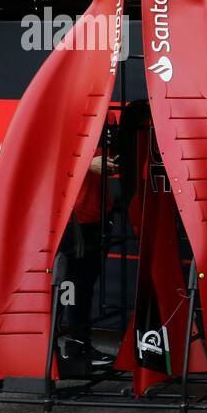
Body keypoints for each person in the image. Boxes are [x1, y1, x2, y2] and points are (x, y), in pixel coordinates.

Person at [59, 120, 117, 367]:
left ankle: (79, 344)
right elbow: (44, 161)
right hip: (73, 218)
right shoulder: (63, 110)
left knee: (85, 284)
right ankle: (54, 349)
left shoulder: (107, 115)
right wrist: (86, 164)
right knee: (70, 285)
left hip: (99, 214)